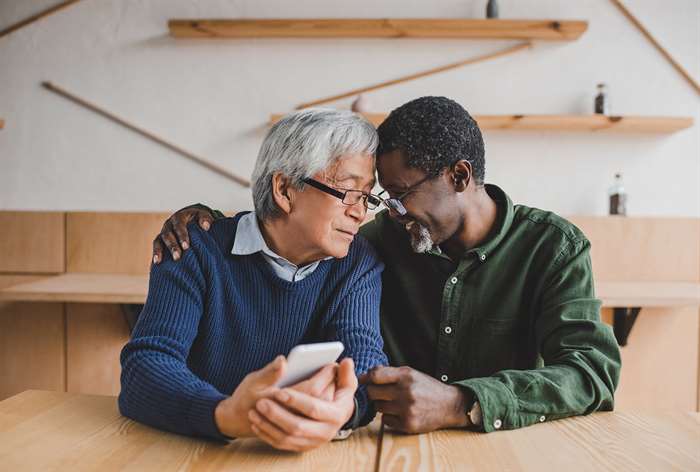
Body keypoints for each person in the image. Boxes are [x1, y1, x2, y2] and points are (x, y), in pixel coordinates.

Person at [152, 96, 621, 439]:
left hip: (506, 448)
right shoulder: (375, 241)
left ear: (460, 177)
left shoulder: (552, 247)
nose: (379, 212)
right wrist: (200, 222)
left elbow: (592, 373)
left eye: (395, 196)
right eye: (377, 197)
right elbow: (152, 361)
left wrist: (464, 402)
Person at [119, 108, 388, 452]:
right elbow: (146, 366)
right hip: (192, 450)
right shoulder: (195, 248)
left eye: (366, 196)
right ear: (285, 189)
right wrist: (226, 414)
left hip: (302, 454)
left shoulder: (356, 262)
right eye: (348, 192)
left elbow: (365, 361)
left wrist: (344, 410)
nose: (360, 212)